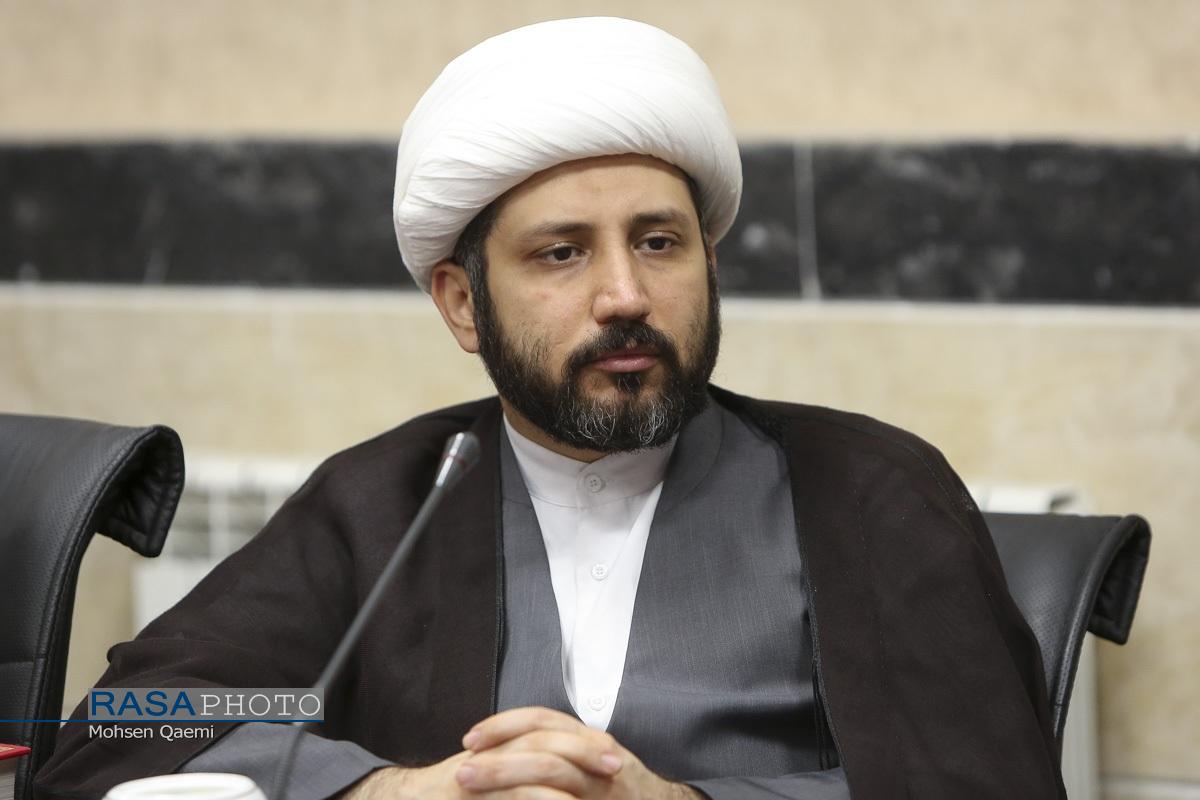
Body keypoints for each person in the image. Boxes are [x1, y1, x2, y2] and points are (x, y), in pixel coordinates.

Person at [36, 17, 1064, 800]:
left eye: (659, 242)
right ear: (462, 303)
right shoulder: (384, 502)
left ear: (709, 265)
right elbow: (132, 720)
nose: (625, 294)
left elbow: (985, 783)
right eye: (562, 252)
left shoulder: (864, 489)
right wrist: (382, 791)